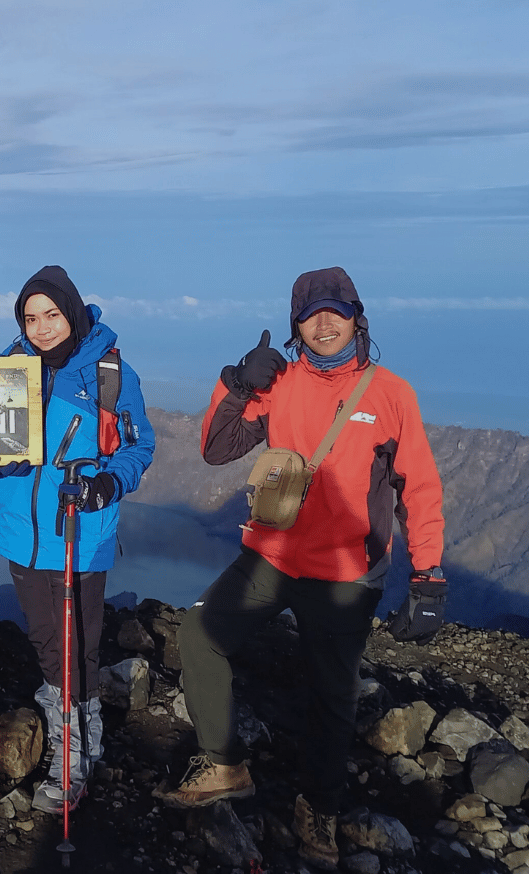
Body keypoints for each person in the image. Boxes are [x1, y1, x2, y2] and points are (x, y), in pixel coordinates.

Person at [162, 267, 445, 870]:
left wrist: (428, 573)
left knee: (331, 693)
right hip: (272, 554)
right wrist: (237, 383)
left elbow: (418, 485)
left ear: (356, 316)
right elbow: (217, 446)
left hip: (346, 573)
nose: (323, 321)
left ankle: (319, 807)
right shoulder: (280, 383)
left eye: (335, 310)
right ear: (296, 324)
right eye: (311, 312)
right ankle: (224, 763)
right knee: (199, 635)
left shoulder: (391, 394)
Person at [0, 265, 155, 813]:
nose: (42, 327)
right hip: (24, 532)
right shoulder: (6, 371)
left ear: (71, 311)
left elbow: (139, 446)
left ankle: (79, 744)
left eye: (51, 314)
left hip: (80, 529)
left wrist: (109, 481)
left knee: (81, 641)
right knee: (49, 641)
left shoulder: (110, 375)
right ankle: (72, 737)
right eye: (30, 317)